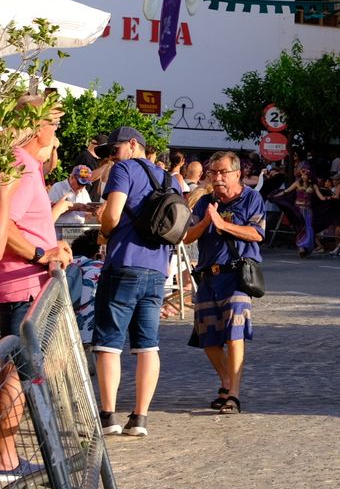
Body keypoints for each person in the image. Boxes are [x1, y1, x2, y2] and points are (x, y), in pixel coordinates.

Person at [0, 99, 73, 478]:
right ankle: (5, 459)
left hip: (16, 283)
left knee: (12, 372)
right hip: (20, 284)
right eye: (54, 125)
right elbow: (7, 227)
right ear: (37, 127)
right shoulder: (23, 166)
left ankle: (7, 457)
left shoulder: (17, 163)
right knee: (15, 373)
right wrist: (42, 254)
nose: (56, 134)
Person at [95, 125, 175, 437]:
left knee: (108, 343)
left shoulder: (124, 170)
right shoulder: (169, 179)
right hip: (157, 269)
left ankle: (108, 416)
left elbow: (113, 214)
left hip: (124, 264)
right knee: (148, 346)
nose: (112, 158)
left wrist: (104, 233)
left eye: (114, 150)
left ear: (132, 144)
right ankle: (140, 418)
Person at [182, 151, 264, 415]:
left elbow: (257, 234)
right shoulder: (205, 202)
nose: (217, 177)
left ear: (237, 173)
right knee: (207, 338)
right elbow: (187, 237)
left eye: (222, 172)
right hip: (208, 276)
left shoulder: (251, 198)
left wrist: (223, 225)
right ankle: (227, 381)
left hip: (236, 276)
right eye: (213, 172)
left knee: (234, 334)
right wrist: (208, 221)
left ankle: (234, 394)